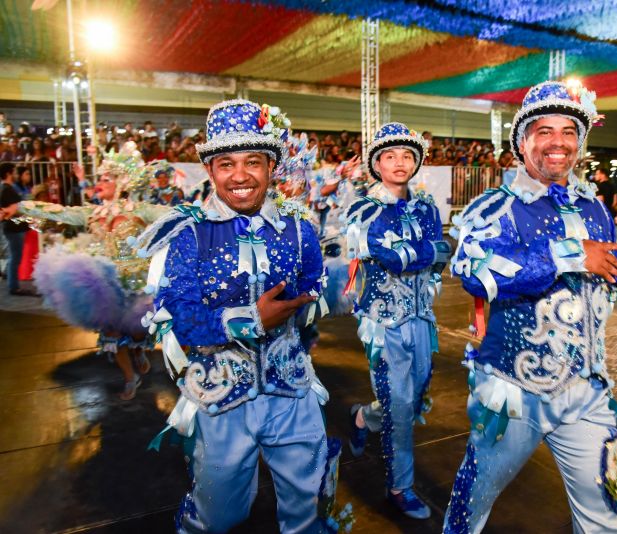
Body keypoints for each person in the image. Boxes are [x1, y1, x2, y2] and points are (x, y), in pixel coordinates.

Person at [136, 99, 349, 533]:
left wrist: (299, 323)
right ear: (210, 171)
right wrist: (251, 318)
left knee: (307, 507)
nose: (240, 175)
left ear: (271, 167)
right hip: (221, 400)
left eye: (253, 161)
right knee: (220, 514)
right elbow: (186, 319)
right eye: (226, 163)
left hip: (292, 392)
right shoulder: (188, 232)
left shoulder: (299, 227)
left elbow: (309, 292)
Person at [443, 81, 617, 533]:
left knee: (607, 509)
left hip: (588, 390)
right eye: (544, 131)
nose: (558, 142)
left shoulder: (594, 206)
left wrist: (613, 277)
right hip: (515, 392)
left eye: (568, 131)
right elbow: (473, 273)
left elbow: (603, 268)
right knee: (474, 500)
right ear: (522, 142)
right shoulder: (494, 207)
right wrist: (569, 256)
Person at [344, 122, 451, 520]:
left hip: (423, 317)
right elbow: (392, 257)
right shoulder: (363, 209)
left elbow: (442, 253)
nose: (399, 163)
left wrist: (417, 251)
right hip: (384, 321)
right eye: (389, 156)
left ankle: (361, 417)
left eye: (407, 155)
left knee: (415, 398)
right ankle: (399, 486)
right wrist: (423, 251)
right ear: (376, 164)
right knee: (401, 406)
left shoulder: (426, 207)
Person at [6, 145, 167, 397]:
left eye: (106, 178)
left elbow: (175, 213)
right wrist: (22, 206)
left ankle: (139, 353)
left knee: (137, 330)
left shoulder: (141, 210)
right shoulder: (91, 212)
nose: (99, 182)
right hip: (105, 284)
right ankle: (129, 377)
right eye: (99, 178)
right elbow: (60, 211)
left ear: (122, 182)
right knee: (112, 333)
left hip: (137, 282)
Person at [0, 162, 33, 295]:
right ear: (8, 173)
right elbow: (15, 209)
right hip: (13, 229)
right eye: (13, 172)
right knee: (15, 257)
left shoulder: (6, 188)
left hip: (13, 228)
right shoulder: (7, 189)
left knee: (14, 256)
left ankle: (12, 282)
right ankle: (14, 286)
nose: (15, 174)